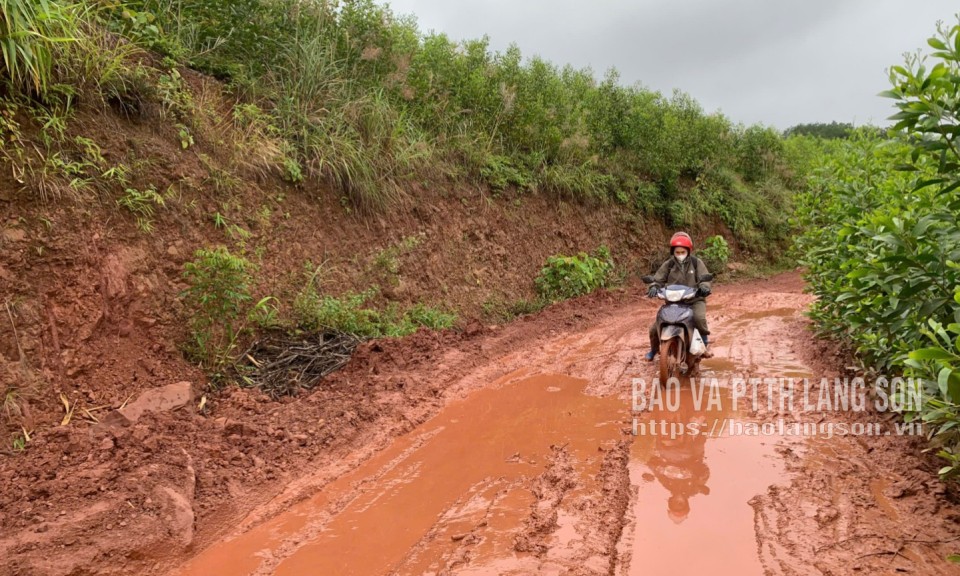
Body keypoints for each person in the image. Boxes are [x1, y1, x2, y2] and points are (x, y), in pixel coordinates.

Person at [644, 232, 712, 361]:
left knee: (699, 318)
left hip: (694, 300)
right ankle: (654, 350)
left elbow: (705, 278)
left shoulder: (696, 263)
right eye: (677, 252)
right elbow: (658, 279)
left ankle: (704, 344)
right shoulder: (669, 264)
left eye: (682, 252)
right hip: (673, 301)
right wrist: (653, 287)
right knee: (655, 327)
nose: (680, 254)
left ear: (688, 251)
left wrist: (704, 287)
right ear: (673, 252)